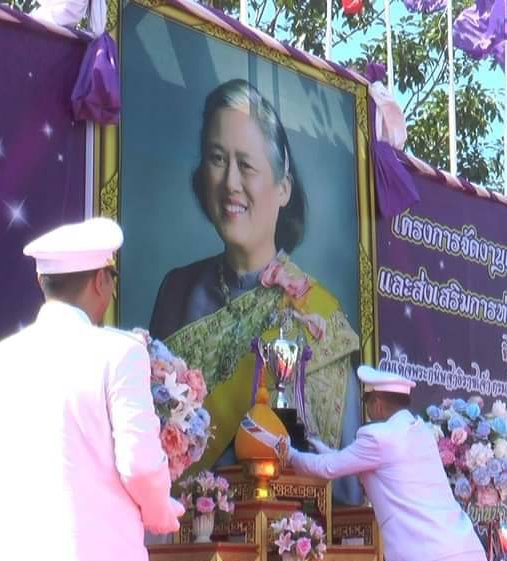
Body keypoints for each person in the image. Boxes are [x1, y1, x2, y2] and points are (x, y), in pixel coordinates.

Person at [0, 217, 184, 561]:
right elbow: (140, 466)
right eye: (111, 278)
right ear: (100, 281)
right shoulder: (119, 354)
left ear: (41, 282)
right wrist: (161, 512)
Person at [148, 78, 359, 472]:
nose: (230, 183)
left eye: (246, 165)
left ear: (283, 189)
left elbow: (340, 474)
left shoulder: (318, 313)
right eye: (217, 159)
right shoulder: (177, 290)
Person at [244, 366, 492, 561]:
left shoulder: (378, 437)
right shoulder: (420, 431)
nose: (368, 409)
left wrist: (289, 453)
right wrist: (324, 449)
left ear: (378, 404)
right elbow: (366, 463)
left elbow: (327, 469)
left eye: (367, 401)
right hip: (469, 552)